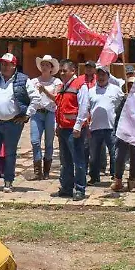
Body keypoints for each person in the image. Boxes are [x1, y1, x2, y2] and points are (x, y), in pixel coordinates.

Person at [0, 53, 30, 192]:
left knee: (10, 153)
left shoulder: (23, 80)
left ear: (14, 65)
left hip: (12, 123)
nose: (4, 66)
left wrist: (26, 115)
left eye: (7, 64)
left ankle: (8, 181)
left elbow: (36, 98)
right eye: (2, 64)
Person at [81, 65, 125, 185]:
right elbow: (85, 108)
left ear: (108, 76)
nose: (101, 77)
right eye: (99, 74)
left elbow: (123, 102)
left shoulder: (115, 89)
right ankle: (94, 177)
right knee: (94, 156)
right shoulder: (90, 91)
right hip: (94, 128)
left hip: (111, 128)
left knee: (114, 153)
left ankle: (115, 176)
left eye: (103, 74)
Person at [54, 59, 90, 200]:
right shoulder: (63, 86)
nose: (62, 73)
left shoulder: (80, 86)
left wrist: (78, 126)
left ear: (73, 71)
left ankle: (80, 189)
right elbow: (59, 107)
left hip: (74, 129)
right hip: (63, 128)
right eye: (61, 71)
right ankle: (67, 187)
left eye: (65, 70)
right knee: (66, 160)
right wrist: (57, 126)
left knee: (78, 160)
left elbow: (83, 106)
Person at [27, 55, 61, 181]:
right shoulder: (33, 81)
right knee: (35, 141)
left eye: (47, 65)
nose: (45, 67)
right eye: (43, 64)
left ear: (51, 68)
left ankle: (46, 171)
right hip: (37, 112)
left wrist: (44, 91)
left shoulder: (56, 82)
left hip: (50, 113)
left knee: (48, 142)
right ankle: (37, 171)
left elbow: (56, 98)